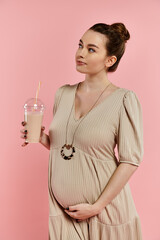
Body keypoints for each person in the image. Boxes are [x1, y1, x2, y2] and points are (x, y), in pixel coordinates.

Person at [20, 22, 144, 240]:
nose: (80, 53)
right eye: (80, 45)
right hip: (64, 216)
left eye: (91, 49)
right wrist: (42, 138)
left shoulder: (124, 99)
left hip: (106, 214)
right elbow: (69, 147)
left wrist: (97, 206)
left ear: (110, 60)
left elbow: (130, 160)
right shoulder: (63, 94)